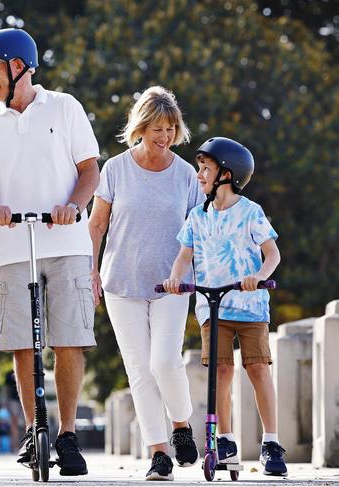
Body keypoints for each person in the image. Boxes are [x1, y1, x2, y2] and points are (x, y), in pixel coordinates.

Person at [0, 28, 100, 476]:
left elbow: (89, 172)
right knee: (21, 344)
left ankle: (66, 434)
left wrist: (73, 207)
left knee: (69, 341)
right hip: (10, 248)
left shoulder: (64, 107)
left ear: (19, 65)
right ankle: (32, 428)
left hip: (65, 242)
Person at [88, 86, 201, 481]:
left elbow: (197, 231)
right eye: (157, 127)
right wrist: (91, 270)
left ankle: (182, 425)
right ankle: (158, 454)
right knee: (139, 369)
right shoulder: (116, 168)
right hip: (121, 281)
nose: (165, 135)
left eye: (171, 128)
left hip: (173, 282)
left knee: (164, 361)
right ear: (141, 125)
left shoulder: (186, 174)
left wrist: (196, 276)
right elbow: (97, 224)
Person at [163, 136, 286, 477]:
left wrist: (259, 276)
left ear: (227, 175)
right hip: (212, 307)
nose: (199, 174)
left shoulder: (250, 212)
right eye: (200, 168)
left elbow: (272, 253)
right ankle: (227, 440)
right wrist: (174, 279)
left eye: (206, 169)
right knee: (221, 373)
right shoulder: (196, 217)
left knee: (258, 369)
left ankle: (272, 443)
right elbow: (183, 257)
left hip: (249, 306)